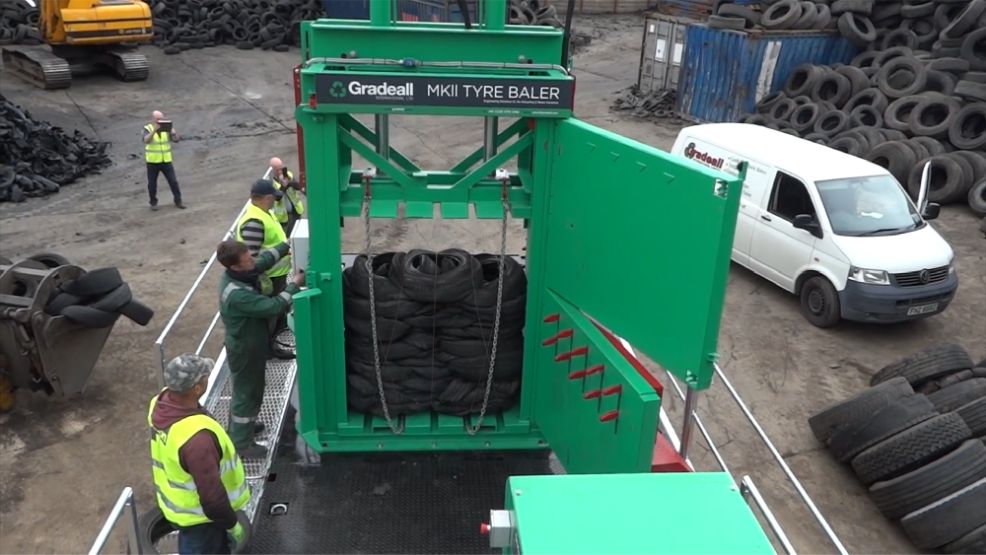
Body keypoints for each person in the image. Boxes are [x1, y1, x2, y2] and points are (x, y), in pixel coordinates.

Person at [148, 354, 249, 555]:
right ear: (197, 389)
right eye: (205, 376)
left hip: (180, 508)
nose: (208, 378)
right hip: (201, 519)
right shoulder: (197, 439)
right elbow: (212, 498)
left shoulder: (160, 404)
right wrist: (232, 525)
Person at [217, 239, 304, 455]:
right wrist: (295, 284)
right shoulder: (237, 293)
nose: (253, 261)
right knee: (247, 394)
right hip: (245, 348)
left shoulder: (241, 272)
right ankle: (241, 444)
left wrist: (287, 245)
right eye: (248, 259)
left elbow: (263, 261)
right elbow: (273, 307)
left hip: (251, 342)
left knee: (248, 391)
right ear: (236, 266)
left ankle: (242, 428)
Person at [236, 179, 295, 360]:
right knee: (268, 316)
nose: (275, 202)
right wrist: (262, 281)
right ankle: (268, 350)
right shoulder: (254, 221)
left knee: (275, 315)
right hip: (268, 278)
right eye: (273, 198)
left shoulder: (263, 213)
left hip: (276, 274)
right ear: (267, 198)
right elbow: (250, 259)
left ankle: (272, 344)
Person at [143, 110, 185, 210]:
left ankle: (178, 201)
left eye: (161, 119)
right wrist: (154, 131)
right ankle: (153, 203)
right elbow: (146, 140)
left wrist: (173, 133)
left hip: (166, 161)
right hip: (153, 162)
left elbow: (176, 140)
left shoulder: (167, 128)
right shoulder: (147, 128)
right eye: (158, 119)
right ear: (153, 119)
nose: (160, 121)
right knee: (152, 184)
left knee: (173, 182)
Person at [269, 157, 305, 236]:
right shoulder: (270, 181)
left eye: (280, 168)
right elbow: (277, 197)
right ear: (272, 169)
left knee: (297, 234)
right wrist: (283, 186)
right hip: (283, 217)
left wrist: (290, 182)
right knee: (286, 236)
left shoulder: (288, 174)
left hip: (296, 211)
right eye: (277, 170)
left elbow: (299, 186)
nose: (280, 172)